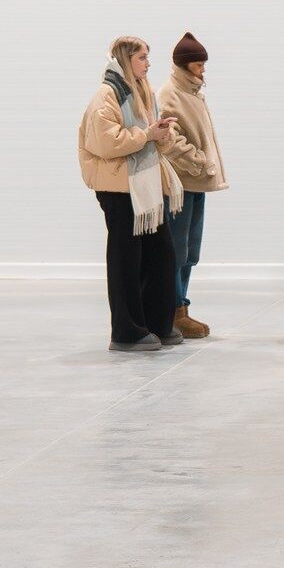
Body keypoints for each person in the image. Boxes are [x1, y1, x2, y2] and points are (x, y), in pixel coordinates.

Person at [79, 36, 180, 351]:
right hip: (118, 187)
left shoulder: (143, 91)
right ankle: (126, 333)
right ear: (126, 59)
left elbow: (149, 137)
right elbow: (106, 142)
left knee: (160, 254)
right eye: (142, 57)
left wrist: (161, 133)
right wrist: (148, 134)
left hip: (143, 186)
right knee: (126, 260)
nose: (148, 63)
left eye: (148, 57)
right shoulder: (107, 94)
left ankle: (156, 324)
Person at [157, 32, 227, 340]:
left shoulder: (193, 92)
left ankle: (180, 307)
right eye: (198, 64)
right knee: (177, 250)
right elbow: (170, 140)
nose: (203, 69)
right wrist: (198, 162)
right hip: (180, 185)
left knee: (190, 251)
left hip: (195, 183)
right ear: (184, 65)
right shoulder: (170, 94)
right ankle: (174, 311)